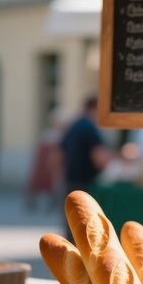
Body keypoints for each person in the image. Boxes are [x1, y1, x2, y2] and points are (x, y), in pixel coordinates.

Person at [56, 93, 114, 236]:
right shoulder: (90, 128)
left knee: (72, 222)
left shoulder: (74, 124)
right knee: (85, 224)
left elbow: (58, 153)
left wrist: (58, 176)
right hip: (86, 182)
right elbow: (99, 158)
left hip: (71, 179)